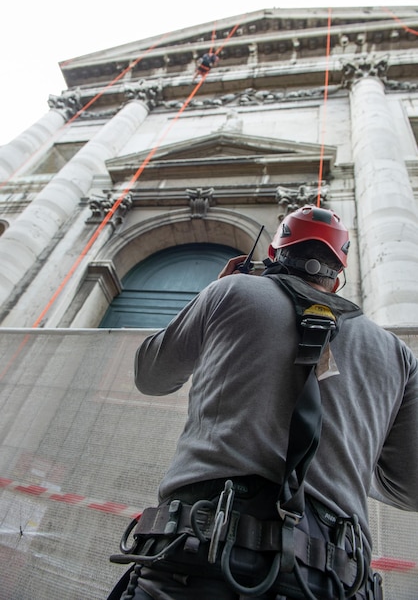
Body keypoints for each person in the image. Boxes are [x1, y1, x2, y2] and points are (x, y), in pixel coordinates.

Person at [111, 205, 418, 600]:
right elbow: (411, 488)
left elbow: (150, 376)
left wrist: (212, 292)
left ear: (273, 254)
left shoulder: (230, 291)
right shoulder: (396, 354)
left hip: (196, 557)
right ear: (338, 277)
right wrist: (348, 460)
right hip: (330, 576)